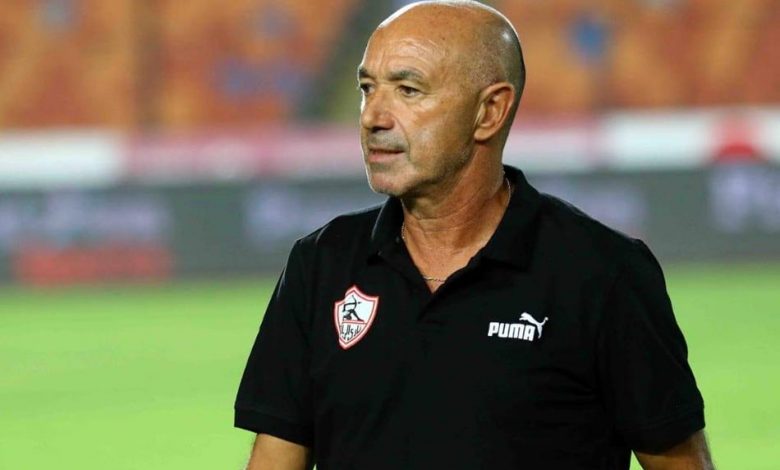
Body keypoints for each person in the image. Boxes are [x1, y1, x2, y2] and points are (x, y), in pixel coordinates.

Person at [234, 1, 714, 469]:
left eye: (408, 90)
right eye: (367, 88)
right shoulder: (321, 264)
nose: (372, 117)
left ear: (489, 111)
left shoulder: (602, 274)